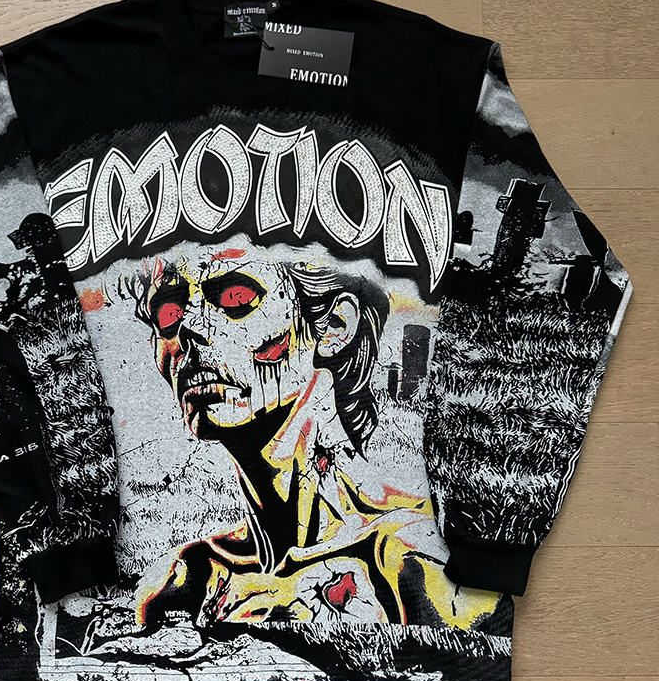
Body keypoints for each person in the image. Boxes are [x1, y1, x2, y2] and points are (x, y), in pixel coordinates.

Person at [120, 244, 501, 630]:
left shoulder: (407, 561)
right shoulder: (196, 572)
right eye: (168, 313)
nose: (189, 330)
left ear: (335, 326)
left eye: (237, 298)